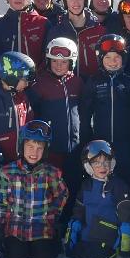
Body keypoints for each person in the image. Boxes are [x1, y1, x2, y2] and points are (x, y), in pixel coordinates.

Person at [0, 119, 70, 258]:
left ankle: (52, 243)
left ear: (46, 150)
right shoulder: (7, 171)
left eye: (39, 148)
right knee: (15, 257)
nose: (34, 152)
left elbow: (62, 194)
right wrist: (0, 225)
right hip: (16, 228)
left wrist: (52, 215)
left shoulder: (51, 172)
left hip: (41, 228)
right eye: (30, 147)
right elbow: (1, 201)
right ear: (21, 146)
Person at [82, 34, 130, 189]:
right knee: (103, 182)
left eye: (117, 58)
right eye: (107, 58)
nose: (112, 62)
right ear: (101, 59)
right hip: (100, 145)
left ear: (124, 59)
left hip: (126, 144)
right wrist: (85, 140)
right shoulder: (94, 82)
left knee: (127, 180)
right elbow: (85, 114)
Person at [64, 140, 130, 258]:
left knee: (92, 254)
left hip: (107, 238)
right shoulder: (86, 185)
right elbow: (79, 209)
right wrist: (74, 226)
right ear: (88, 166)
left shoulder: (118, 186)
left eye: (105, 162)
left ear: (112, 162)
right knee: (74, 253)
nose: (102, 167)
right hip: (87, 236)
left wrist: (125, 235)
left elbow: (126, 212)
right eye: (97, 163)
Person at [0, 52, 37, 175]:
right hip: (1, 156)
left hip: (21, 155)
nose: (27, 84)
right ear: (11, 77)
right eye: (24, 80)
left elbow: (30, 119)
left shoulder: (22, 97)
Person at [31, 37, 84, 169]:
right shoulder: (40, 84)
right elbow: (32, 113)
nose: (58, 65)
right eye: (54, 61)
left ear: (71, 62)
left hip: (74, 146)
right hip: (51, 148)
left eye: (64, 62)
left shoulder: (77, 83)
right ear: (48, 61)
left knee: (73, 181)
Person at [49, 0, 107, 78]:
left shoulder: (100, 31)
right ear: (64, 1)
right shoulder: (56, 32)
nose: (75, 3)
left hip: (94, 89)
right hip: (68, 89)